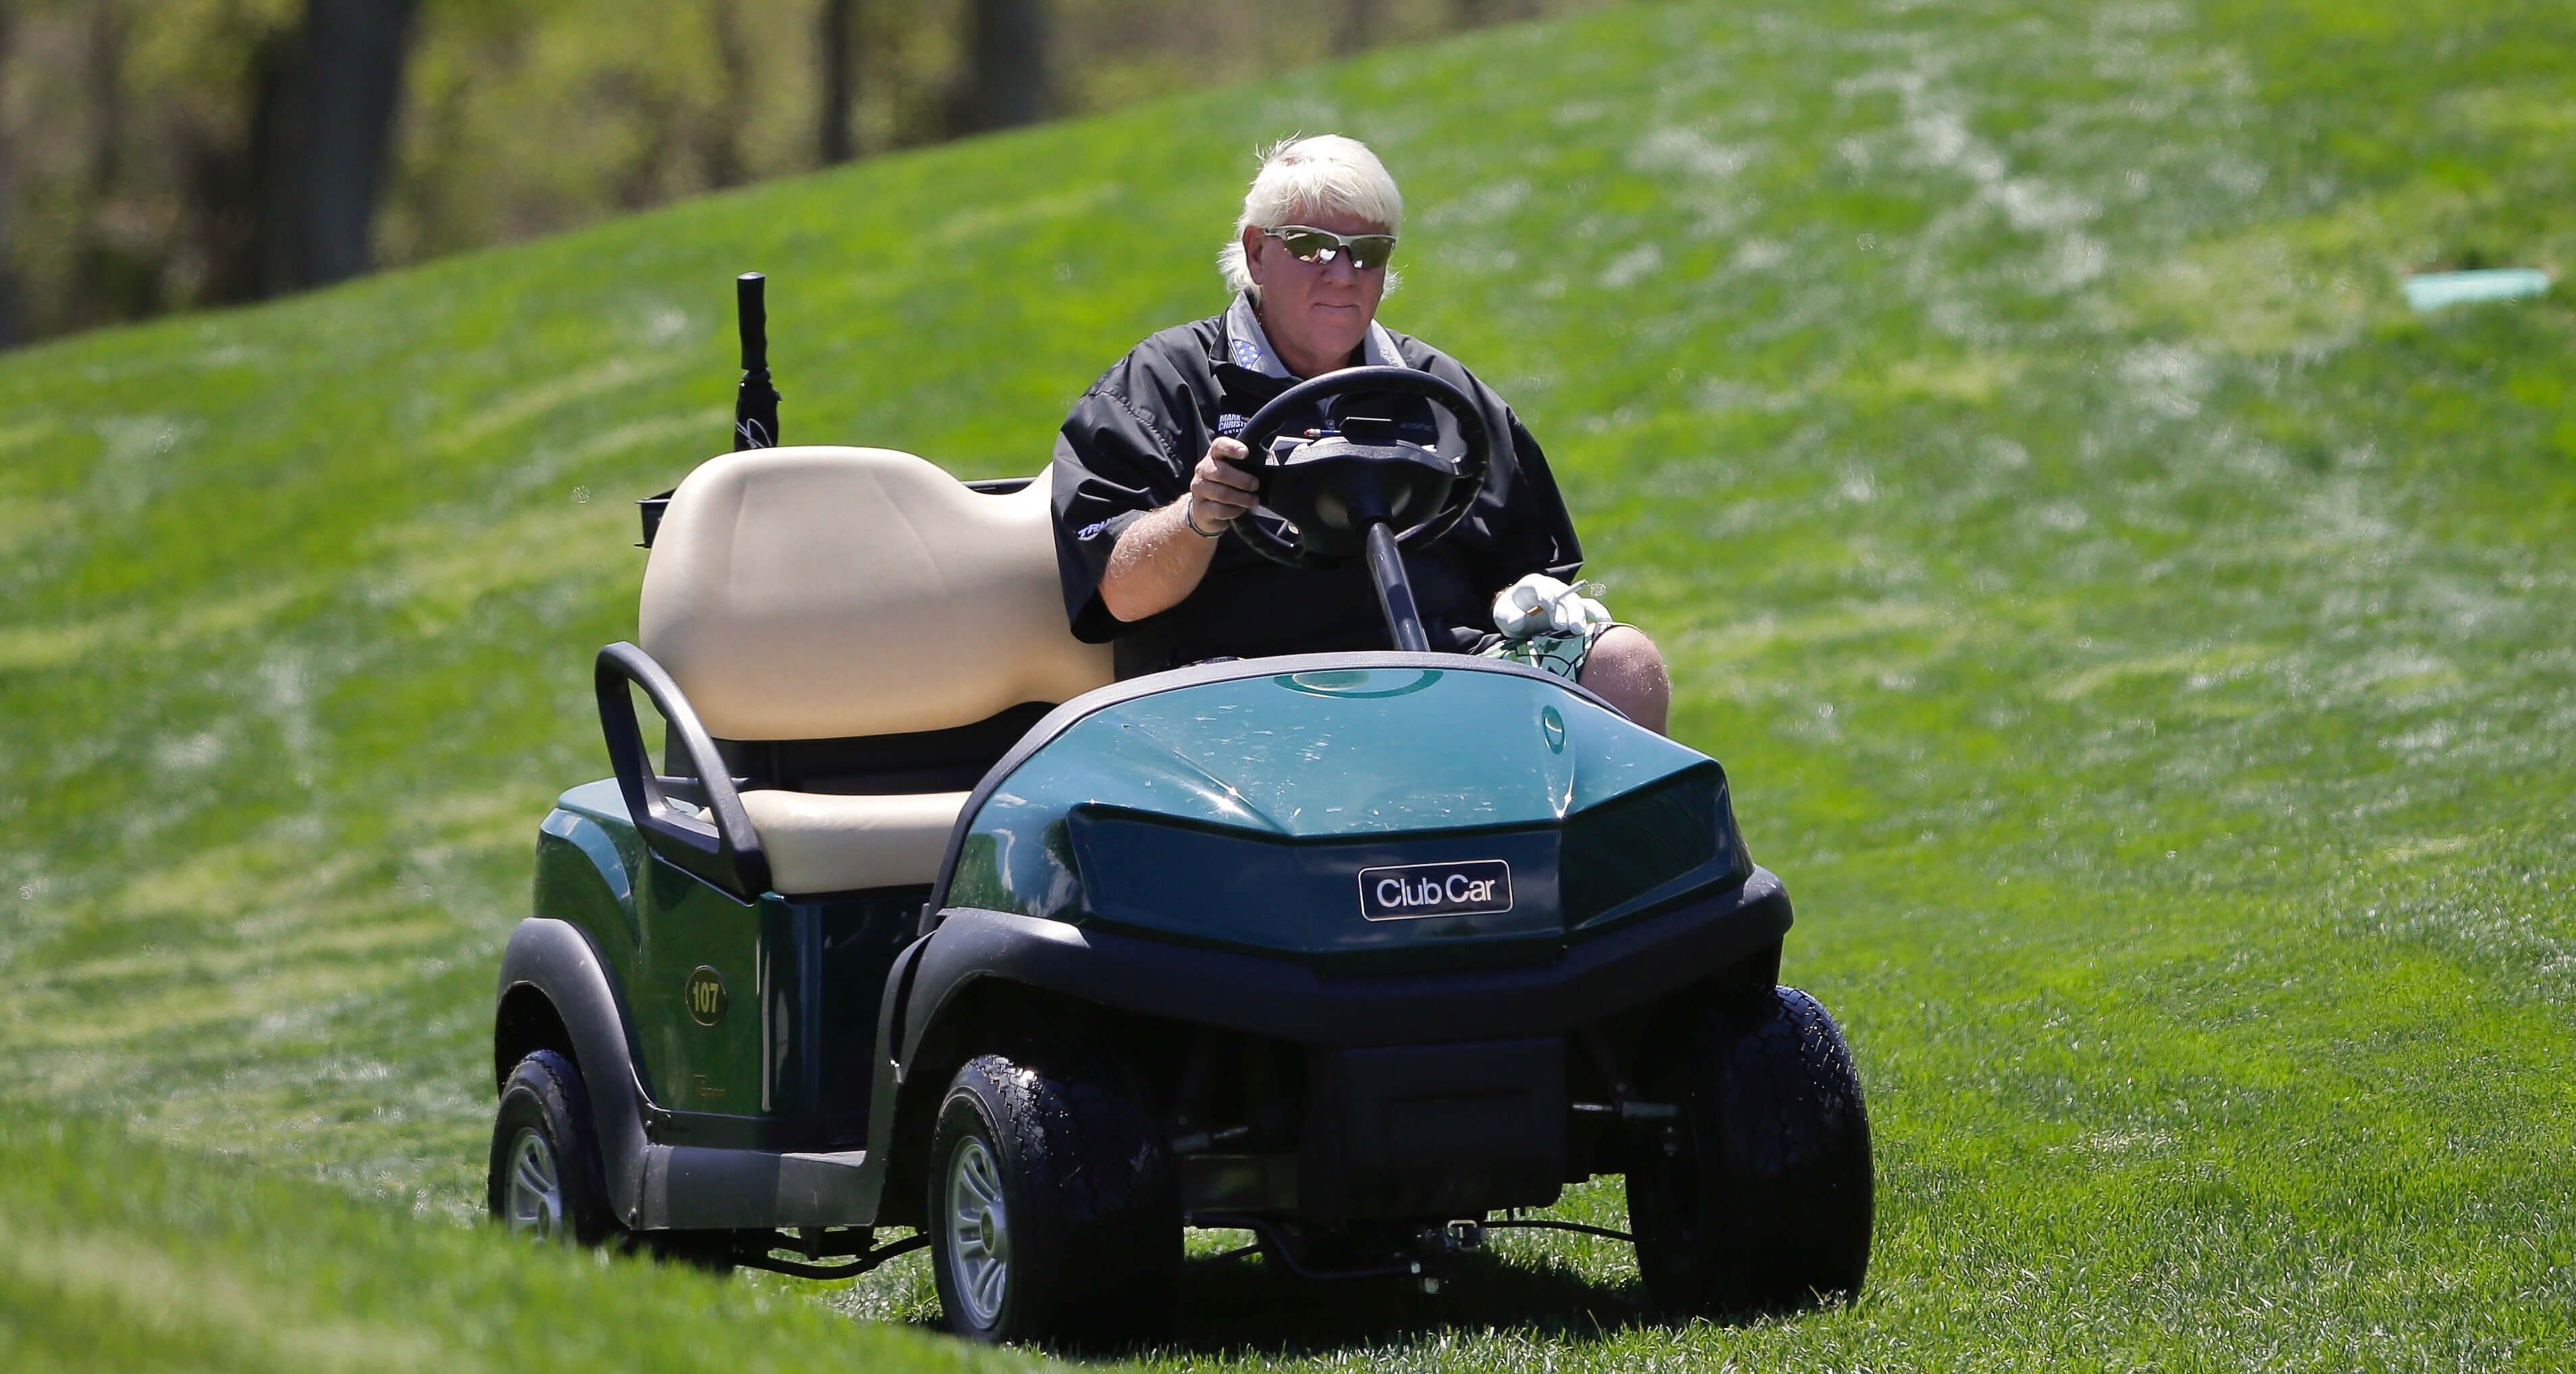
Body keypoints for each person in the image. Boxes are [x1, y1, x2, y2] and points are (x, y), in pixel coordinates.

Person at [1048, 134, 1671, 732]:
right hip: (1241, 692)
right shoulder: (1162, 384)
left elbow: (1536, 570)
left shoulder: (1440, 390)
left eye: (1368, 252)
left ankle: (1628, 845)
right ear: (1257, 252)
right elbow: (1118, 593)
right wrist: (1198, 517)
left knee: (1625, 666)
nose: (1344, 274)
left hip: (1441, 676)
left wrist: (1529, 603)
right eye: (1313, 246)